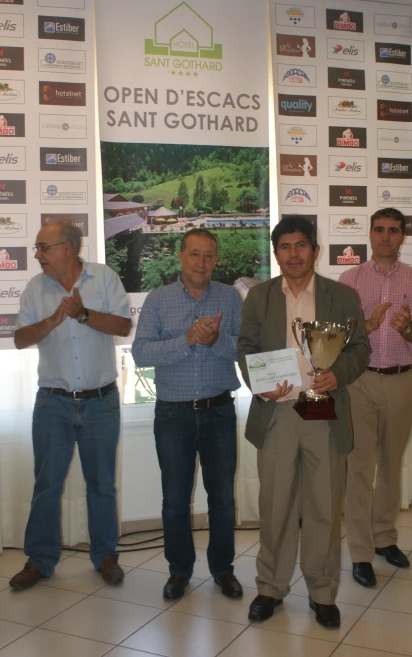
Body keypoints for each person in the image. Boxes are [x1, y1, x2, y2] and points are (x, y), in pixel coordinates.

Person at [237, 216, 369, 629]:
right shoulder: (258, 297)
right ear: (276, 253)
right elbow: (245, 349)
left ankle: (322, 591)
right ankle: (270, 587)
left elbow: (359, 349)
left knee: (324, 508)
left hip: (324, 413)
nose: (293, 255)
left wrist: (339, 373)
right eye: (284, 247)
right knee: (275, 506)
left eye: (300, 246)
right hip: (277, 414)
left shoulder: (342, 296)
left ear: (315, 250)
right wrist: (259, 384)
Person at [9, 221, 131, 591]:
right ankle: (40, 561)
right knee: (46, 485)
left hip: (100, 401)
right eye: (38, 248)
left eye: (43, 247)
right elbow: (19, 339)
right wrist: (53, 320)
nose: (38, 255)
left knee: (102, 485)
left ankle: (105, 556)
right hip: (54, 403)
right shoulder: (35, 288)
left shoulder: (104, 278)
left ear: (69, 247)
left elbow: (124, 327)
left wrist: (83, 315)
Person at [132, 229, 243, 601]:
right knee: (175, 500)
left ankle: (223, 569)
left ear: (216, 259)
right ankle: (179, 570)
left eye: (209, 255)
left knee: (223, 499)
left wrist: (216, 341)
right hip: (173, 416)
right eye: (194, 254)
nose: (201, 263)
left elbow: (245, 350)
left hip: (220, 411)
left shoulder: (230, 297)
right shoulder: (159, 300)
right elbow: (142, 354)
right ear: (180, 256)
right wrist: (189, 341)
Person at [339, 208, 412, 589]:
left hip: (403, 381)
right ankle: (360, 551)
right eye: (379, 229)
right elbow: (337, 339)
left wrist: (409, 330)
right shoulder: (349, 279)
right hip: (360, 382)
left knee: (390, 465)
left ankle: (385, 538)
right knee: (359, 470)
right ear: (369, 234)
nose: (386, 236)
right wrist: (366, 326)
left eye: (393, 230)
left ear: (402, 236)